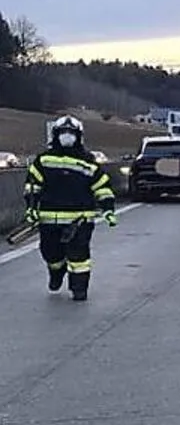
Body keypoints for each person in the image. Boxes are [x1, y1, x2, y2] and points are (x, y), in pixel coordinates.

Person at [23, 115, 118, 301]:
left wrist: (108, 209)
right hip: (49, 218)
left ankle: (79, 289)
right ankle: (57, 272)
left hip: (80, 219)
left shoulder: (88, 162)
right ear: (56, 135)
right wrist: (31, 207)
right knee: (50, 253)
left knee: (79, 256)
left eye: (71, 132)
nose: (67, 136)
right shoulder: (43, 160)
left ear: (79, 136)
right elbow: (32, 186)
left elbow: (102, 187)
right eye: (63, 132)